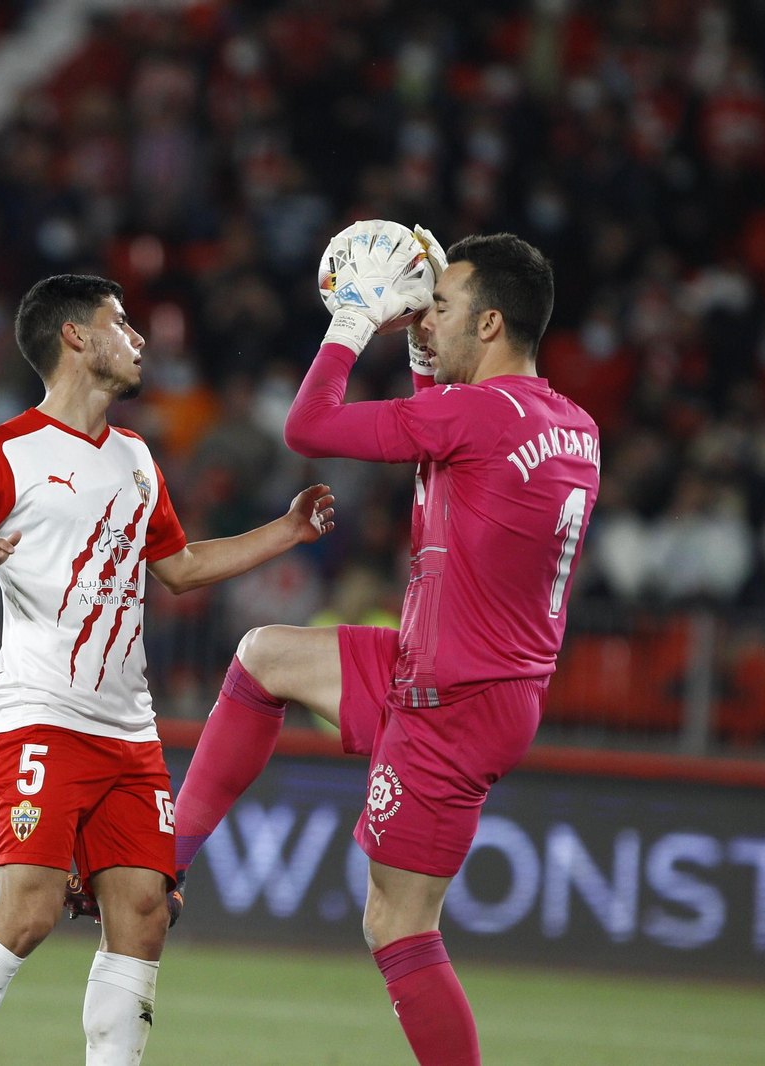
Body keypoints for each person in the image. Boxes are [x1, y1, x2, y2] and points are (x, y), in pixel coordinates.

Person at [169, 224, 600, 1066]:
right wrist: (418, 351)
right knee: (265, 655)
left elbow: (308, 426)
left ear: (489, 325)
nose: (425, 318)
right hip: (449, 666)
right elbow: (446, 462)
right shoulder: (567, 420)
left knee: (397, 923)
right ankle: (167, 862)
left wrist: (356, 319)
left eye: (440, 305)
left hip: (457, 698)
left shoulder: (477, 413)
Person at [0, 273, 337, 1066]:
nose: (138, 339)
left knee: (143, 914)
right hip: (41, 714)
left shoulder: (136, 458)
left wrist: (286, 531)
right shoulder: (1, 452)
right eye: (121, 322)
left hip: (128, 732)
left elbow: (180, 566)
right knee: (28, 912)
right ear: (75, 337)